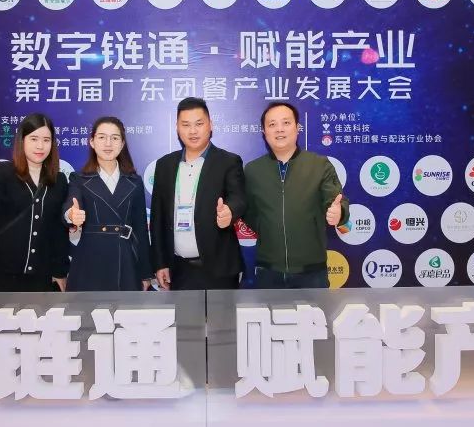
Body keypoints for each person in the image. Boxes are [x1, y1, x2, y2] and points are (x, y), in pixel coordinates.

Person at [243, 102, 349, 289]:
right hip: (268, 270)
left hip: (312, 272)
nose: (279, 129)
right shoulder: (252, 170)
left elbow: (336, 200)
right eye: (272, 124)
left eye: (286, 123)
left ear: (297, 128)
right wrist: (265, 228)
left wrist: (338, 212)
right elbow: (248, 211)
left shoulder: (319, 165)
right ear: (264, 132)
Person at [0, 113, 69, 292]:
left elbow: (58, 231)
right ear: (22, 140)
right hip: (0, 276)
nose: (40, 146)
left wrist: (60, 272)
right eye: (34, 139)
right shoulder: (4, 172)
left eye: (46, 140)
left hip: (40, 278)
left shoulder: (58, 180)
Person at [149, 97, 246, 290]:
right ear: (177, 128)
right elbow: (157, 218)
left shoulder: (228, 161)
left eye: (199, 124)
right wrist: (160, 263)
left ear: (210, 125)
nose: (192, 131)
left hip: (220, 270)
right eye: (186, 125)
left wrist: (230, 212)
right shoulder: (165, 165)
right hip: (179, 270)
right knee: (184, 312)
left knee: (222, 312)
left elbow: (239, 198)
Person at [64, 116, 152, 291]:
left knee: (125, 308)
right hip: (89, 261)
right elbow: (69, 205)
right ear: (92, 142)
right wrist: (71, 215)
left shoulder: (134, 181)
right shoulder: (79, 179)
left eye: (115, 138)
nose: (108, 143)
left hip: (126, 262)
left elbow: (141, 230)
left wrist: (145, 273)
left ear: (122, 143)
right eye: (102, 137)